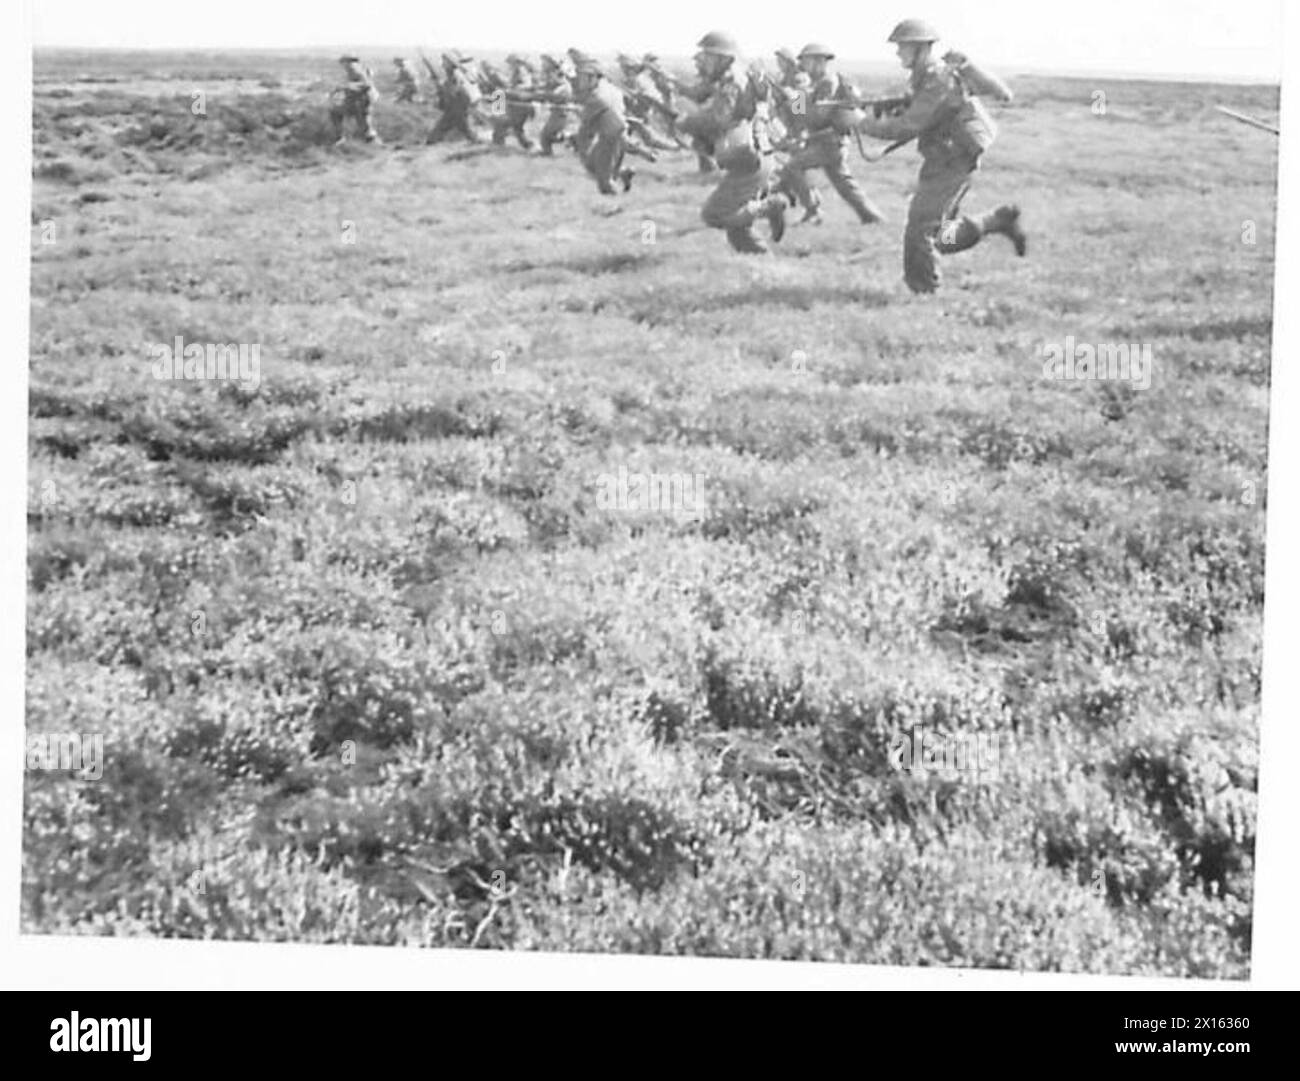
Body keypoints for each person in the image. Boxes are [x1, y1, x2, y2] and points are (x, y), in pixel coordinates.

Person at [856, 19, 1026, 293]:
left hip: (952, 158)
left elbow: (910, 124)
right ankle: (993, 222)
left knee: (921, 229)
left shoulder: (938, 78)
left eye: (903, 47)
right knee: (936, 233)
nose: (898, 52)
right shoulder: (923, 77)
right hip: (943, 158)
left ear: (920, 48)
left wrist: (858, 122)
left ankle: (924, 292)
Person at [684, 32, 786, 254]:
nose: (702, 60)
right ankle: (761, 263)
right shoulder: (737, 77)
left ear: (723, 58)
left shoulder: (733, 81)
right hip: (755, 154)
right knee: (738, 228)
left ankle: (771, 206)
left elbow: (718, 119)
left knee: (714, 214)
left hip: (753, 156)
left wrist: (687, 121)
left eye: (708, 56)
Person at [774, 43, 883, 225]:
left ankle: (813, 210)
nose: (804, 66)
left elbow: (817, 117)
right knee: (845, 186)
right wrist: (793, 100)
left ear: (819, 62)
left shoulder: (827, 83)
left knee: (792, 167)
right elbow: (805, 116)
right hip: (827, 142)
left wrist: (797, 99)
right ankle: (873, 218)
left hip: (829, 142)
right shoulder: (819, 83)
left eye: (807, 61)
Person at [572, 59, 635, 194]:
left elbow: (586, 121)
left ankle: (617, 208)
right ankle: (624, 173)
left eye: (584, 77)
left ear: (594, 78)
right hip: (618, 135)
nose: (580, 81)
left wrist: (578, 112)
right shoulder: (609, 89)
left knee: (604, 183)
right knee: (592, 165)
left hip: (611, 138)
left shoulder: (598, 96)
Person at [426, 51, 484, 144]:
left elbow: (454, 90)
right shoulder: (453, 74)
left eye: (445, 62)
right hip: (455, 105)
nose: (442, 64)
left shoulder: (456, 74)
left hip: (458, 105)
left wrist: (442, 86)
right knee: (461, 127)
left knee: (460, 127)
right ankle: (476, 140)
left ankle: (477, 140)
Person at [329, 56, 381, 145]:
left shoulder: (355, 70)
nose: (343, 65)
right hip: (358, 100)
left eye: (344, 63)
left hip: (361, 100)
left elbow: (366, 84)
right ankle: (372, 142)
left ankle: (340, 138)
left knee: (363, 123)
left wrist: (347, 86)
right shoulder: (356, 69)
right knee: (363, 124)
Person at [536, 54, 577, 156]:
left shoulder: (557, 74)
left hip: (561, 110)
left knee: (546, 135)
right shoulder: (550, 74)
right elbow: (546, 87)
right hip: (556, 109)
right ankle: (571, 138)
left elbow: (560, 88)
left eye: (545, 62)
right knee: (548, 135)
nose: (542, 64)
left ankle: (571, 139)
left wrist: (545, 94)